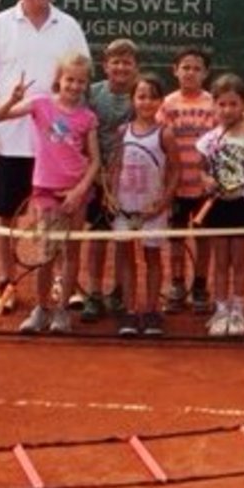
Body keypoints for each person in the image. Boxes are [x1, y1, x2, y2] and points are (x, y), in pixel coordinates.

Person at [0, 0, 89, 316]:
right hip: (11, 141)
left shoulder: (68, 26)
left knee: (56, 218)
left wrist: (76, 137)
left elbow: (80, 80)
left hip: (56, 149)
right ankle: (5, 282)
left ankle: (59, 280)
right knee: (6, 214)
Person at [0, 52, 100, 335]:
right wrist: (13, 98)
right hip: (45, 191)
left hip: (76, 193)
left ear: (86, 84)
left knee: (71, 253)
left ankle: (62, 311)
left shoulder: (88, 117)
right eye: (69, 80)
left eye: (80, 81)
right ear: (59, 80)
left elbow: (96, 161)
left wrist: (79, 191)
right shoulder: (40, 104)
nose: (74, 86)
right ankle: (42, 309)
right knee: (45, 255)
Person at [196, 74, 244, 338]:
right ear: (214, 106)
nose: (228, 110)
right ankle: (221, 309)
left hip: (242, 205)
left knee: (239, 260)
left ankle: (237, 310)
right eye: (222, 104)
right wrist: (207, 181)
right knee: (220, 260)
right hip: (217, 207)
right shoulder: (209, 140)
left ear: (243, 105)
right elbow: (201, 170)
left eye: (234, 104)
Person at [108, 74, 177, 337]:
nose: (146, 102)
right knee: (125, 258)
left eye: (152, 97)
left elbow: (175, 172)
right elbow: (116, 166)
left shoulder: (165, 133)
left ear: (160, 101)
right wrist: (112, 197)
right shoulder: (122, 131)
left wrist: (163, 203)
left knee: (152, 258)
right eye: (141, 96)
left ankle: (150, 311)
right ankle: (128, 311)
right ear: (132, 99)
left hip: (153, 209)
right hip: (125, 206)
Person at [80, 38, 139, 322]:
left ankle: (118, 293)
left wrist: (117, 177)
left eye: (127, 62)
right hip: (93, 178)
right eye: (115, 61)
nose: (121, 67)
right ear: (105, 65)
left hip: (127, 182)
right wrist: (94, 171)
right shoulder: (91, 94)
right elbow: (79, 131)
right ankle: (93, 292)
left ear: (135, 67)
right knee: (97, 235)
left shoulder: (141, 97)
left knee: (122, 238)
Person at [157, 46, 216, 313]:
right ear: (175, 71)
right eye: (186, 68)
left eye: (196, 68)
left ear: (205, 73)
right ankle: (177, 285)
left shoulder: (212, 104)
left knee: (204, 239)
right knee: (177, 239)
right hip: (176, 187)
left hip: (205, 188)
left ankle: (201, 286)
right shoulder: (167, 104)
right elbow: (159, 140)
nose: (190, 73)